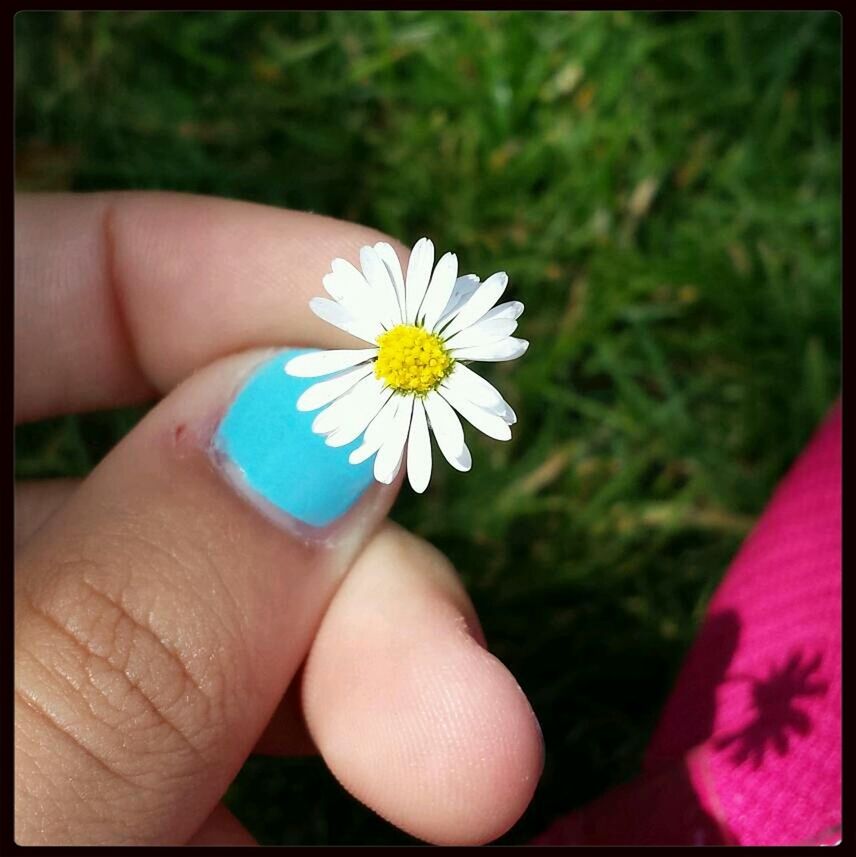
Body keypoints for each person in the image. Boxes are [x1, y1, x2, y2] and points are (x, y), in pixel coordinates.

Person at [14, 192, 840, 847]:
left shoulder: (422, 365)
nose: (415, 356)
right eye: (411, 354)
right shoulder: (383, 360)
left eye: (421, 353)